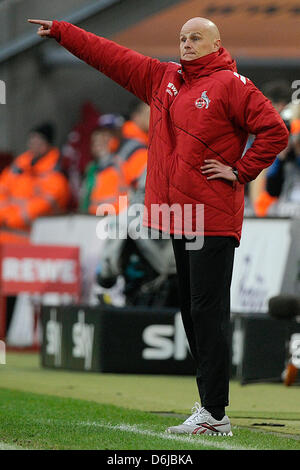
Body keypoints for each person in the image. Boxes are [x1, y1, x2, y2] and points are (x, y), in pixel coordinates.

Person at [28, 17, 289, 436]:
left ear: (216, 43)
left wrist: (240, 171)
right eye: (182, 38)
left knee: (207, 313)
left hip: (212, 217)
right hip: (178, 217)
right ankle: (210, 408)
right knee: (191, 312)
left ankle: (215, 412)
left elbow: (275, 131)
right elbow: (111, 56)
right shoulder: (163, 78)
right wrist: (63, 31)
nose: (186, 44)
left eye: (195, 38)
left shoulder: (232, 84)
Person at [0, 123, 70, 241]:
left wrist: (13, 218)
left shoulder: (55, 174)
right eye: (32, 140)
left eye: (39, 141)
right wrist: (5, 214)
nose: (34, 144)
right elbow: (2, 189)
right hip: (6, 232)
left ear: (47, 144)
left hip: (35, 238)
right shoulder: (18, 167)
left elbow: (43, 205)